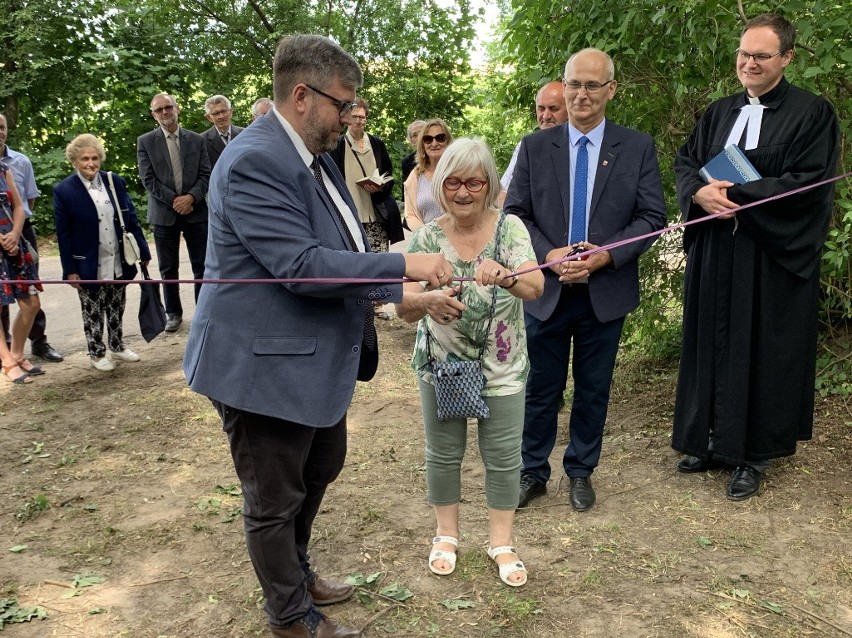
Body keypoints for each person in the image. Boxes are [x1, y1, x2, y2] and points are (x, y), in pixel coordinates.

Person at [182, 34, 452, 638]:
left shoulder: (313, 152)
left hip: (310, 359)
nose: (352, 116)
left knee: (322, 463)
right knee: (273, 499)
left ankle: (298, 574)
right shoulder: (255, 160)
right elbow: (302, 267)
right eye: (343, 103)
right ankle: (290, 616)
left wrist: (398, 296)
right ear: (302, 95)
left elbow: (342, 252)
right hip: (260, 368)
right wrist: (403, 267)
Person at [672, 13, 840, 501]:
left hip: (767, 257)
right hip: (715, 254)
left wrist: (736, 200)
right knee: (710, 344)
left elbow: (809, 184)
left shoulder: (812, 113)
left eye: (761, 56)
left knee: (760, 348)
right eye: (744, 54)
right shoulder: (720, 111)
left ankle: (751, 454)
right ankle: (705, 440)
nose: (749, 63)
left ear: (786, 58)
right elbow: (687, 162)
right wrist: (700, 197)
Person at [505, 48, 666, 512]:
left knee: (593, 389)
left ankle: (580, 471)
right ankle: (532, 471)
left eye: (592, 85)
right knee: (539, 388)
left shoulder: (635, 147)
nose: (581, 94)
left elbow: (651, 217)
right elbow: (514, 214)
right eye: (574, 84)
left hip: (604, 293)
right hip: (545, 292)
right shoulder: (535, 147)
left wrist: (602, 257)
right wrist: (548, 254)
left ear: (610, 90)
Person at [396, 138, 543, 587]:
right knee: (443, 454)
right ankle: (446, 534)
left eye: (474, 182)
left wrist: (506, 276)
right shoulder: (425, 237)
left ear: (489, 184)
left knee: (502, 457)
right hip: (442, 364)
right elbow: (401, 305)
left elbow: (535, 287)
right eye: (454, 182)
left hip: (501, 366)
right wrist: (427, 301)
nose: (464, 192)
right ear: (440, 186)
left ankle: (502, 541)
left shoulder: (510, 229)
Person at [53, 134, 152, 372]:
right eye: (85, 158)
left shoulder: (113, 181)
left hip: (118, 256)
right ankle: (96, 353)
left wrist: (143, 249)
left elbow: (131, 218)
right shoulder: (64, 190)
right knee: (93, 309)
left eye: (95, 158)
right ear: (75, 161)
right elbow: (63, 236)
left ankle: (117, 346)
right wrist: (70, 271)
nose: (91, 163)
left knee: (117, 304)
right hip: (87, 263)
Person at [137, 92, 211, 333]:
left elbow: (206, 174)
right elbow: (148, 180)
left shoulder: (196, 140)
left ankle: (204, 310)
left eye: (168, 107)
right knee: (168, 268)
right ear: (153, 115)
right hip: (163, 213)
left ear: (177, 109)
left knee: (202, 265)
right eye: (159, 110)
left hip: (196, 211)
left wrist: (190, 198)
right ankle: (173, 313)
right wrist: (175, 201)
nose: (164, 113)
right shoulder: (145, 141)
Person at [0, 114, 63, 362]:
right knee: (2, 298)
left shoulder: (20, 162)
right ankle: (7, 351)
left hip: (21, 232)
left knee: (29, 292)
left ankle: (39, 342)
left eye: (2, 127)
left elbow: (27, 201)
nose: (0, 132)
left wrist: (15, 232)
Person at [330, 97, 404, 255]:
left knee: (380, 262)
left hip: (376, 215)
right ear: (348, 118)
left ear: (366, 119)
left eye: (362, 117)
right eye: (355, 116)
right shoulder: (338, 145)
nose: (358, 121)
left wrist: (380, 186)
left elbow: (389, 176)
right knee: (356, 263)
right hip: (351, 217)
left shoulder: (376, 144)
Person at [0, 158, 42, 384]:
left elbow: (18, 206)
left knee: (32, 304)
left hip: (15, 244)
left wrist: (15, 234)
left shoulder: (3, 169)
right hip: (2, 243)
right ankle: (7, 362)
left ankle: (17, 353)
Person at [498, 81, 570, 206]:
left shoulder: (580, 145)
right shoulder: (528, 146)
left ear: (569, 110)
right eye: (541, 109)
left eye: (553, 109)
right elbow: (502, 193)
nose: (546, 116)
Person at [403, 118, 452, 231]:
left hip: (461, 240)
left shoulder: (461, 169)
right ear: (423, 144)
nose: (434, 143)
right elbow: (410, 214)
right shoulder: (416, 175)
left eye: (440, 138)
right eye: (428, 139)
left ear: (448, 141)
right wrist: (426, 236)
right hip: (428, 243)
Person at [202, 95, 244, 168]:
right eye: (216, 113)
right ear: (209, 118)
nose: (221, 116)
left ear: (231, 112)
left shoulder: (244, 134)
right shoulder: (202, 140)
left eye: (224, 111)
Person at [401, 119, 426, 187]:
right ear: (411, 140)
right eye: (415, 135)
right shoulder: (407, 162)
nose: (419, 137)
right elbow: (406, 189)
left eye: (422, 132)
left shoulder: (439, 155)